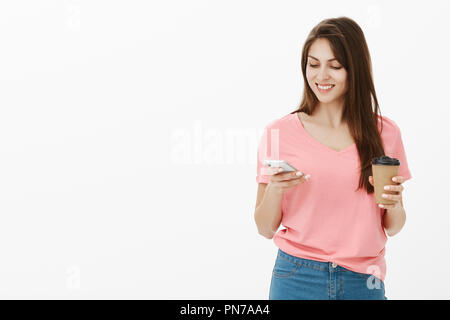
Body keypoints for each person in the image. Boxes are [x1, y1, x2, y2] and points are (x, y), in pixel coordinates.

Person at [254, 17, 412, 300]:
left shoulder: (386, 133)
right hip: (295, 277)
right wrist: (276, 189)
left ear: (355, 70)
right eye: (313, 64)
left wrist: (396, 204)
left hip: (364, 280)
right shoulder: (278, 133)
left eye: (335, 66)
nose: (321, 76)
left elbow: (393, 225)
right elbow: (265, 228)